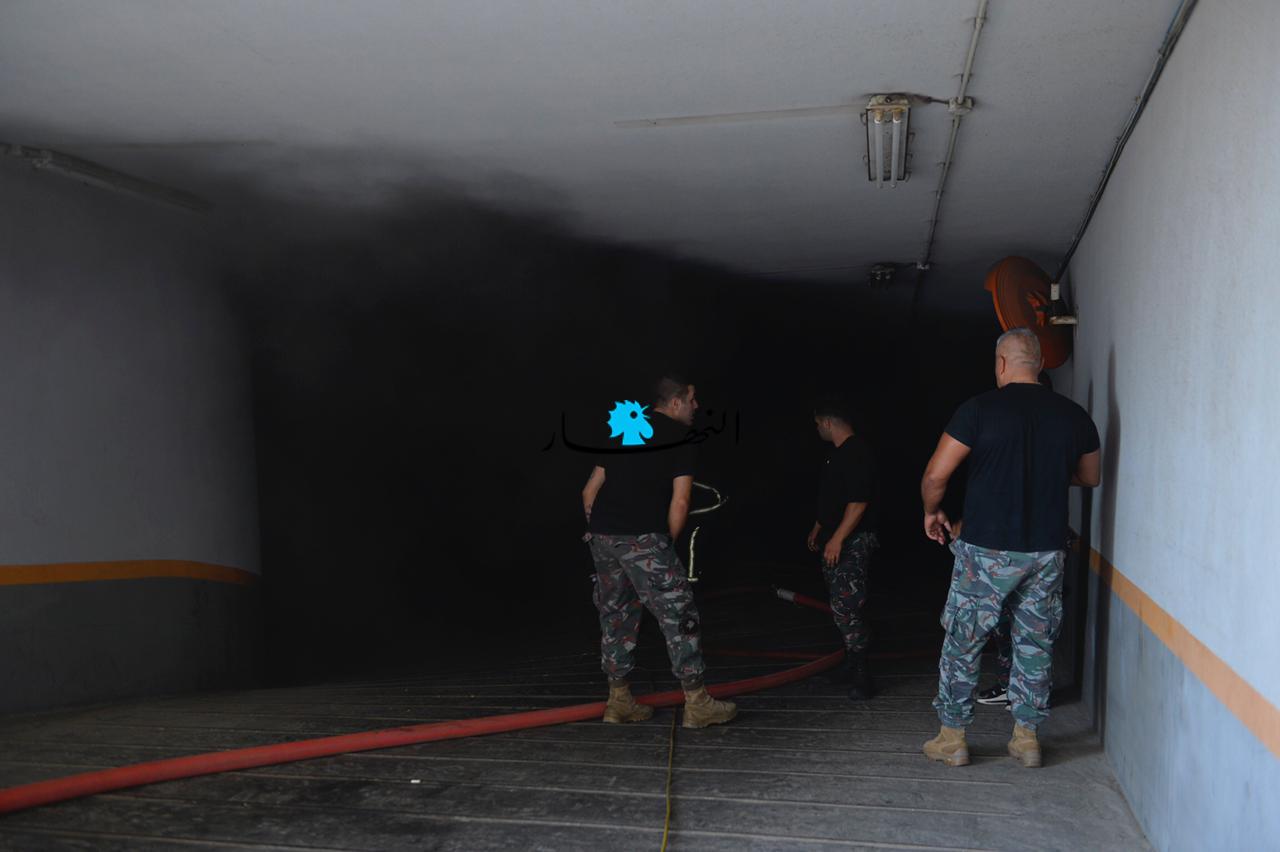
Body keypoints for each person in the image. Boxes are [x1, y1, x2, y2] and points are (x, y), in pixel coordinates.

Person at [919, 328, 1100, 768]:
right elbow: (1090, 476)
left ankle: (953, 738)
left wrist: (932, 511)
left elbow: (936, 475)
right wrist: (1044, 474)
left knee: (965, 639)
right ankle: (1026, 739)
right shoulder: (1075, 416)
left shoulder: (978, 410)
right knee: (1034, 642)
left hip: (986, 551)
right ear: (1039, 363)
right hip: (1046, 551)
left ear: (1001, 363)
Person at [581, 375, 738, 729]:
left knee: (615, 613)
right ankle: (697, 703)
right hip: (643, 537)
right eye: (692, 400)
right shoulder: (682, 437)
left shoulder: (625, 426)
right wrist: (663, 545)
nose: (697, 407)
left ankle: (618, 701)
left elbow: (589, 491)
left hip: (602, 535)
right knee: (679, 611)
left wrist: (604, 532)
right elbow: (681, 501)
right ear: (676, 402)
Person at [806, 394, 879, 700]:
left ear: (827, 422)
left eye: (817, 424)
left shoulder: (856, 452)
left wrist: (837, 538)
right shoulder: (834, 455)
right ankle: (850, 662)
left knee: (847, 604)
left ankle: (863, 673)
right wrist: (819, 527)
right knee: (839, 606)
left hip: (853, 540)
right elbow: (833, 499)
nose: (817, 430)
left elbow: (858, 502)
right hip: (833, 539)